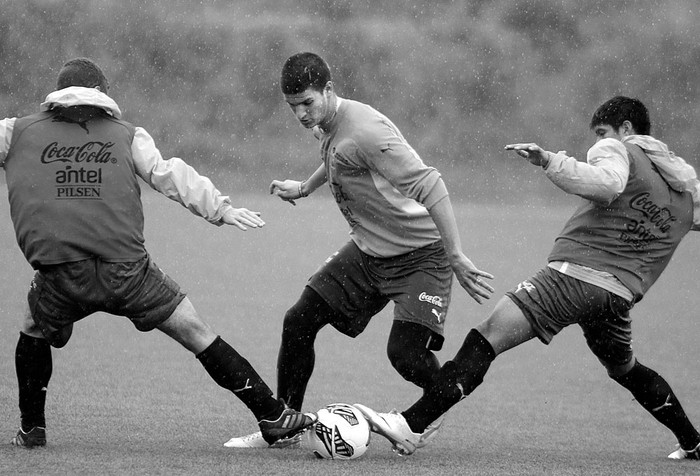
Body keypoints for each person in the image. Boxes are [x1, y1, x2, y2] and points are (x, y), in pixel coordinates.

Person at [355, 96, 700, 461]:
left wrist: (550, 160)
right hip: (618, 296)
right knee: (624, 368)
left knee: (487, 337)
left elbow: (607, 184)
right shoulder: (683, 193)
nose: (596, 143)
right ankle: (692, 440)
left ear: (626, 130)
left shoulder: (619, 150)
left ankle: (410, 425)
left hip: (573, 278)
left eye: (601, 133)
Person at [3, 57, 315, 448]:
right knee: (196, 332)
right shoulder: (126, 134)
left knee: (33, 327)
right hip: (128, 272)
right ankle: (272, 415)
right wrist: (220, 209)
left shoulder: (15, 131)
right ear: (102, 93)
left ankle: (32, 429)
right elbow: (169, 174)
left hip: (61, 273)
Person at [224, 52, 495, 448]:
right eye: (293, 107)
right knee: (298, 322)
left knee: (405, 356)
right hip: (368, 252)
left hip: (421, 255)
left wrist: (455, 255)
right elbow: (336, 159)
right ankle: (285, 428)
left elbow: (432, 185)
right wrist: (303, 187)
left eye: (307, 103)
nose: (301, 114)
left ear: (329, 90)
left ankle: (427, 413)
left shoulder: (366, 131)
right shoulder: (329, 124)